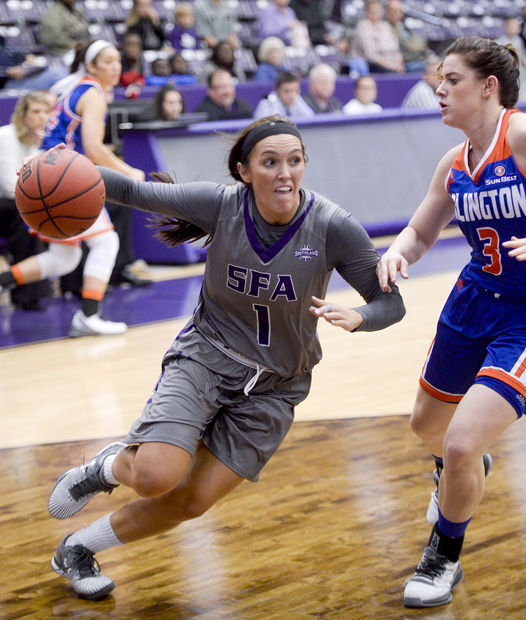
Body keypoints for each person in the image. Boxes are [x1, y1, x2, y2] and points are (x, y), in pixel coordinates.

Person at [46, 114, 406, 600]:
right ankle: (103, 470)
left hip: (278, 385)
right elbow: (135, 193)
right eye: (270, 162)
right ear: (243, 170)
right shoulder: (221, 206)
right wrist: (52, 170)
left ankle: (78, 548)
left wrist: (361, 316)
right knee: (155, 475)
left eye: (295, 161)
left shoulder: (332, 226)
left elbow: (392, 303)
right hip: (207, 357)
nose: (285, 173)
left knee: (191, 501)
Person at [376, 36, 526, 608]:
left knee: (461, 442)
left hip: (524, 313)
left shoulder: (518, 134)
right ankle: (462, 466)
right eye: (439, 80)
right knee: (427, 426)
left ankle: (442, 556)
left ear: (488, 87)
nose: (439, 90)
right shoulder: (454, 161)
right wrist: (399, 253)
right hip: (472, 302)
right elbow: (420, 230)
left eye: (452, 80)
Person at [0, 41, 145, 337]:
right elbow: (93, 147)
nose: (115, 67)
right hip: (62, 177)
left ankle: (3, 280)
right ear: (91, 66)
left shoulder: (76, 88)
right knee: (106, 243)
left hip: (49, 173)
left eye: (118, 61)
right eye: (107, 61)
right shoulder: (92, 94)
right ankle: (89, 316)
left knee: (65, 258)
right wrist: (129, 172)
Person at [0, 92, 52, 311]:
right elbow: (9, 186)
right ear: (22, 115)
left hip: (21, 202)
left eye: (45, 112)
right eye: (35, 112)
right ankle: (26, 294)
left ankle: (77, 286)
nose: (41, 117)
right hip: (5, 201)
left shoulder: (46, 142)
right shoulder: (5, 137)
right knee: (28, 219)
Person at [350, 0, 404, 74]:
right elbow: (371, 56)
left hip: (393, 63)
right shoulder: (363, 26)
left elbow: (396, 49)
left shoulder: (386, 26)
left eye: (378, 11)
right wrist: (393, 66)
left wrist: (398, 63)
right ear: (367, 13)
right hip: (373, 65)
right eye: (373, 11)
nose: (376, 13)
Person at [385, 0, 430, 73]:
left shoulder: (404, 27)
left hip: (420, 59)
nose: (397, 14)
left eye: (400, 11)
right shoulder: (384, 28)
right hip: (406, 62)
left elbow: (420, 45)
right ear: (387, 12)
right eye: (394, 11)